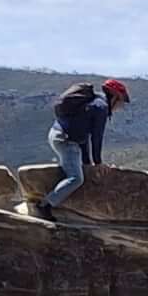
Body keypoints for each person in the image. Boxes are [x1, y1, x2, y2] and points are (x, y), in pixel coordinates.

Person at [42, 77, 128, 215]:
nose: (119, 107)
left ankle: (52, 203)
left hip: (58, 135)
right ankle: (45, 205)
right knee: (76, 178)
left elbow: (83, 135)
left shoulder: (95, 102)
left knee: (76, 172)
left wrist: (88, 163)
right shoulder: (102, 108)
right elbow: (96, 137)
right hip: (66, 141)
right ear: (115, 98)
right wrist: (98, 163)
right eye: (121, 103)